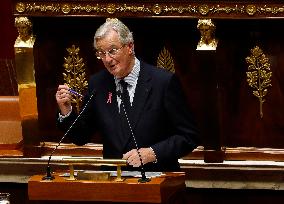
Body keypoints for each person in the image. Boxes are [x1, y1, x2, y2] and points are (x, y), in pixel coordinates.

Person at [56, 18, 199, 172]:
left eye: (112, 51)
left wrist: (153, 153)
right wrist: (67, 111)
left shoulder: (163, 82)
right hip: (114, 183)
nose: (107, 59)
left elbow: (189, 137)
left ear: (130, 47)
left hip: (156, 179)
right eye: (101, 53)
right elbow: (81, 136)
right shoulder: (98, 84)